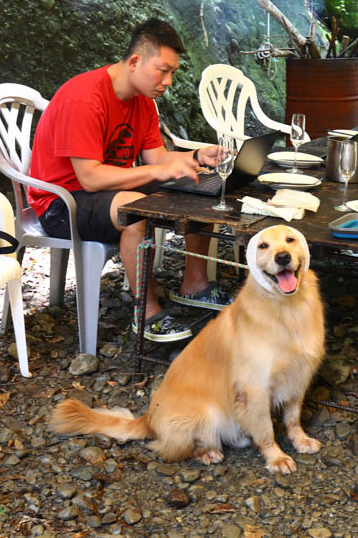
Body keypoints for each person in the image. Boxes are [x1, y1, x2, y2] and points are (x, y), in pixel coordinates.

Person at [27, 18, 230, 343]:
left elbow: (157, 158)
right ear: (134, 61)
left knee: (202, 186)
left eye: (173, 73)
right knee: (133, 210)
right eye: (162, 70)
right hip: (61, 202)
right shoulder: (85, 97)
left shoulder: (143, 102)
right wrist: (157, 172)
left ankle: (195, 284)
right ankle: (146, 313)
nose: (168, 81)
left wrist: (194, 159)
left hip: (110, 191)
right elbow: (90, 178)